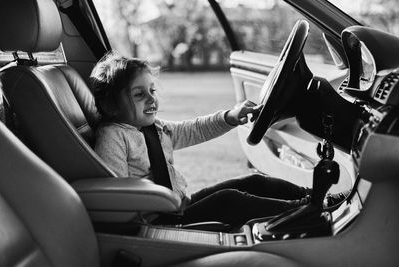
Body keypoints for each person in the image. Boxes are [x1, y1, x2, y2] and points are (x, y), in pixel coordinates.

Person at [91, 51, 346, 227]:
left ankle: (316, 199)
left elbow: (194, 129)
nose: (151, 99)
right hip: (157, 218)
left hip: (179, 205)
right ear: (111, 105)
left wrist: (230, 116)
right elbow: (116, 190)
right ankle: (306, 211)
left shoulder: (155, 128)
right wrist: (156, 201)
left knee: (253, 181)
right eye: (138, 94)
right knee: (229, 201)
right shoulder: (112, 135)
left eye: (152, 90)